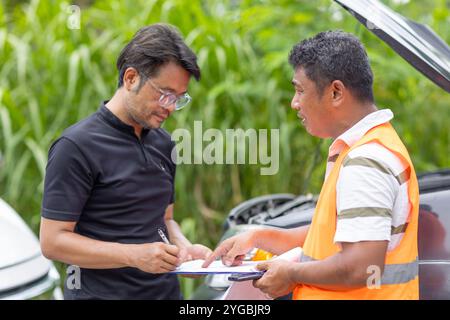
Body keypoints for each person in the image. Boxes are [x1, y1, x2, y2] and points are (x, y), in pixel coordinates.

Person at [203, 30, 420, 300]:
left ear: (336, 92)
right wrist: (259, 236)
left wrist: (291, 274)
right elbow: (331, 234)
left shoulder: (367, 161)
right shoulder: (365, 148)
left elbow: (362, 267)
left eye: (300, 90)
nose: (295, 103)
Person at [39, 23, 211, 300]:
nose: (170, 107)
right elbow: (53, 242)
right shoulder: (76, 146)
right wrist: (133, 255)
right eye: (165, 94)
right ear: (131, 78)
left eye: (179, 99)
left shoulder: (163, 143)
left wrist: (183, 248)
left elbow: (164, 219)